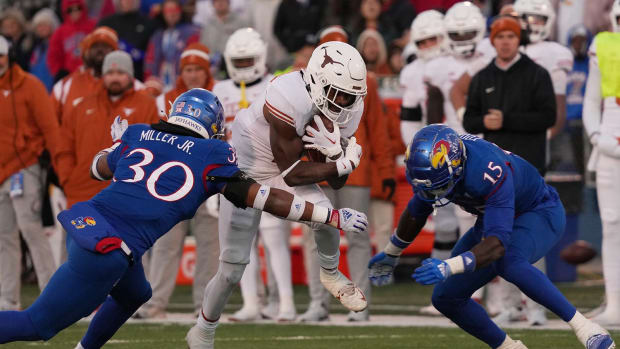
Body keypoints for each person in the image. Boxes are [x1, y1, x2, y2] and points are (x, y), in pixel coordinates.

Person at [0, 88, 368, 347]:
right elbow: (268, 199)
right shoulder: (213, 154)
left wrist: (115, 149)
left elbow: (98, 169)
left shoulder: (139, 133)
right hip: (108, 249)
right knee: (38, 325)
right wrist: (331, 215)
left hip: (95, 227)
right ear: (212, 126)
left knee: (136, 293)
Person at [186, 41, 369, 348]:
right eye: (340, 94)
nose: (346, 103)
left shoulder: (350, 108)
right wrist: (340, 165)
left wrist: (337, 155)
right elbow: (292, 173)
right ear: (318, 82)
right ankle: (203, 329)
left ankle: (330, 272)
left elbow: (336, 184)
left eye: (352, 96)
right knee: (231, 270)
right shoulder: (287, 96)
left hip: (285, 170)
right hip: (244, 172)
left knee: (326, 221)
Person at [368, 124, 616, 349]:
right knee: (445, 297)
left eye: (439, 185)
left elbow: (496, 245)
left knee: (508, 261)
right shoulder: (439, 168)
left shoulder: (488, 171)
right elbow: (417, 209)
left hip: (537, 211)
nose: (435, 192)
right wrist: (392, 252)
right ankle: (509, 347)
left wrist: (448, 266)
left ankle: (587, 329)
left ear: (457, 165)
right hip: (494, 217)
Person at [298, 26, 394, 323]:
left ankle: (359, 304)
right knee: (317, 236)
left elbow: (377, 131)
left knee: (357, 238)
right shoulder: (305, 81)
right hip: (318, 168)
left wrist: (385, 170)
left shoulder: (367, 83)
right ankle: (318, 303)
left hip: (356, 168)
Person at [211, 27, 295, 322]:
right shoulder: (219, 90)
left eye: (249, 61)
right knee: (241, 242)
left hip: (269, 171)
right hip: (234, 175)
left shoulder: (275, 85)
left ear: (260, 58)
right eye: (240, 61)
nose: (245, 66)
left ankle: (285, 302)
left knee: (274, 240)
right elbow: (215, 138)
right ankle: (250, 302)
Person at [136, 42, 217, 319]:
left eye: (198, 69)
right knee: (166, 244)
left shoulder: (221, 95)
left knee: (210, 245)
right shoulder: (165, 99)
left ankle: (203, 306)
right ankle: (155, 302)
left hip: (209, 181)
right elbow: (153, 137)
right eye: (188, 69)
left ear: (206, 71)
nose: (193, 74)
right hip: (173, 180)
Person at [0, 35, 61, 311]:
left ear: (9, 56)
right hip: (1, 171)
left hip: (25, 165)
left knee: (31, 229)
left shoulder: (30, 85)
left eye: (0, 56)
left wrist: (56, 160)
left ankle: (50, 293)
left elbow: (50, 126)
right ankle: (8, 297)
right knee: (4, 234)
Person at [55, 50, 159, 209]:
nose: (115, 77)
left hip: (126, 196)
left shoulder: (147, 105)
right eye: (110, 72)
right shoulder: (82, 106)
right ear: (103, 76)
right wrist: (67, 179)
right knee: (79, 234)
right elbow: (64, 146)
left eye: (120, 72)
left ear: (130, 75)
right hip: (81, 194)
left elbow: (154, 148)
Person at [582, 1, 620, 326]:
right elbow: (591, 99)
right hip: (610, 136)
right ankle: (616, 305)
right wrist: (596, 135)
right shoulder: (605, 45)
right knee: (611, 224)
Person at [51, 26, 119, 122]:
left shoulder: (128, 85)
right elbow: (50, 124)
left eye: (105, 47)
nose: (100, 51)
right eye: (95, 46)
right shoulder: (63, 87)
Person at [98, 0, 157, 81]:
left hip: (139, 77)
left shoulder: (149, 24)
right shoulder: (106, 23)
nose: (128, 1)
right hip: (111, 77)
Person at [47, 0, 96, 81]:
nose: (75, 12)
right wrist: (59, 74)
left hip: (91, 74)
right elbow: (53, 56)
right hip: (70, 77)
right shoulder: (59, 32)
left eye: (78, 8)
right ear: (65, 11)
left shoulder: (93, 26)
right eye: (70, 10)